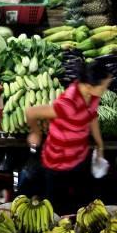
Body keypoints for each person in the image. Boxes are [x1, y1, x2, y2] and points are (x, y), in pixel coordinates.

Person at [25, 61, 112, 214]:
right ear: (91, 86)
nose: (105, 90)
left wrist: (100, 145)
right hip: (56, 164)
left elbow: (92, 117)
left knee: (79, 204)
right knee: (55, 209)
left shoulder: (93, 96)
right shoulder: (67, 103)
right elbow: (31, 112)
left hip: (78, 157)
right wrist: (36, 133)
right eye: (103, 87)